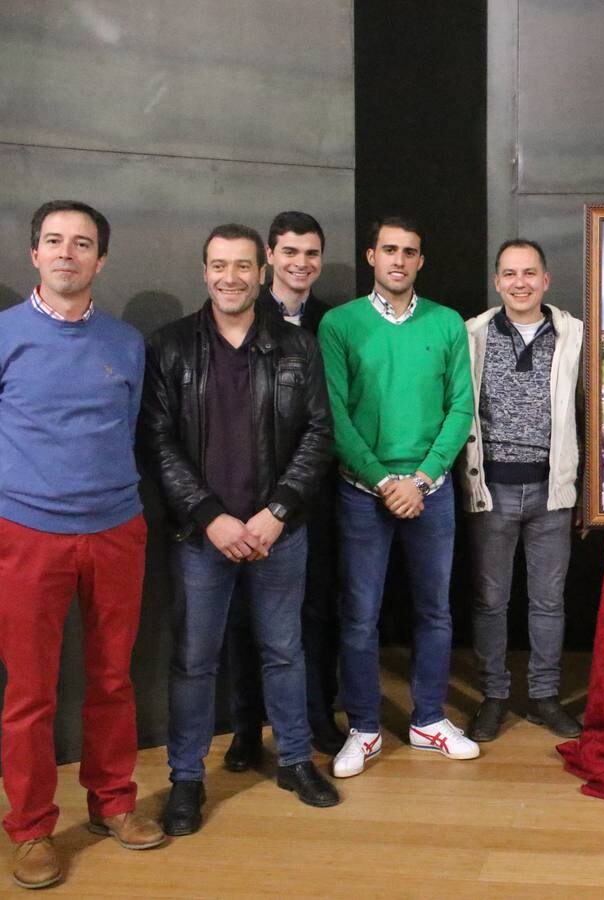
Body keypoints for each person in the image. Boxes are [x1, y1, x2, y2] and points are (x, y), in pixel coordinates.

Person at [140, 223, 339, 836]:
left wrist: (276, 511)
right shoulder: (170, 347)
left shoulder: (296, 347)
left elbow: (318, 434)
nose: (231, 276)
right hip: (203, 538)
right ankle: (186, 779)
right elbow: (158, 441)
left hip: (278, 531)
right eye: (219, 265)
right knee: (196, 661)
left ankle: (295, 761)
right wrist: (211, 516)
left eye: (243, 266)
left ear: (262, 272)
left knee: (284, 652)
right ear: (204, 271)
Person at [0, 201, 165, 889]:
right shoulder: (5, 335)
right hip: (27, 536)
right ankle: (34, 827)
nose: (67, 253)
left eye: (83, 244)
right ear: (34, 254)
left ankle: (113, 803)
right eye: (54, 242)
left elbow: (128, 429)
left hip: (116, 530)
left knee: (111, 678)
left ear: (101, 260)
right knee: (31, 692)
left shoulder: (126, 342)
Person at [318, 215, 478, 778]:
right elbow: (333, 414)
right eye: (389, 250)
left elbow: (462, 408)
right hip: (364, 493)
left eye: (410, 252)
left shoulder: (448, 323)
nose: (399, 260)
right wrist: (385, 482)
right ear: (370, 257)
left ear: (420, 261)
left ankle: (428, 719)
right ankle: (363, 728)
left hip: (430, 492)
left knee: (434, 610)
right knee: (360, 616)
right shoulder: (339, 324)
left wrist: (424, 479)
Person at [224, 211, 345, 772]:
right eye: (290, 252)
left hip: (313, 497)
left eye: (312, 253)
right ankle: (247, 729)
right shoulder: (242, 312)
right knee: (245, 619)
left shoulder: (332, 321)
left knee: (317, 610)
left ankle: (319, 714)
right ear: (269, 256)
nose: (301, 263)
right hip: (245, 497)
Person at [459, 239, 584, 742]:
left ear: (546, 280)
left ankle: (543, 696)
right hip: (491, 491)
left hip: (552, 492)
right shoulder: (473, 333)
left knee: (548, 602)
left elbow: (590, 413)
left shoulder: (575, 333)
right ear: (497, 281)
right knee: (490, 601)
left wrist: (586, 490)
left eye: (529, 273)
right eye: (509, 274)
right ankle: (493, 695)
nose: (520, 283)